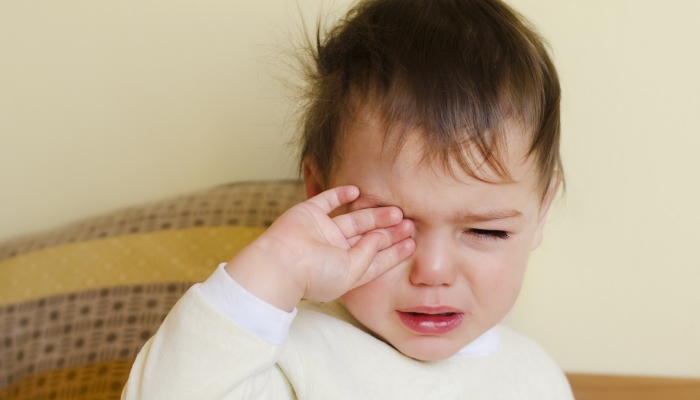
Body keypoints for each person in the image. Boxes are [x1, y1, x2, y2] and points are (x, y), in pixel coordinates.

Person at [122, 0, 574, 398]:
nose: (433, 272)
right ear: (321, 195)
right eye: (387, 222)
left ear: (541, 211)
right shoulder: (288, 356)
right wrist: (276, 265)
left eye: (485, 230)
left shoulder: (537, 379)